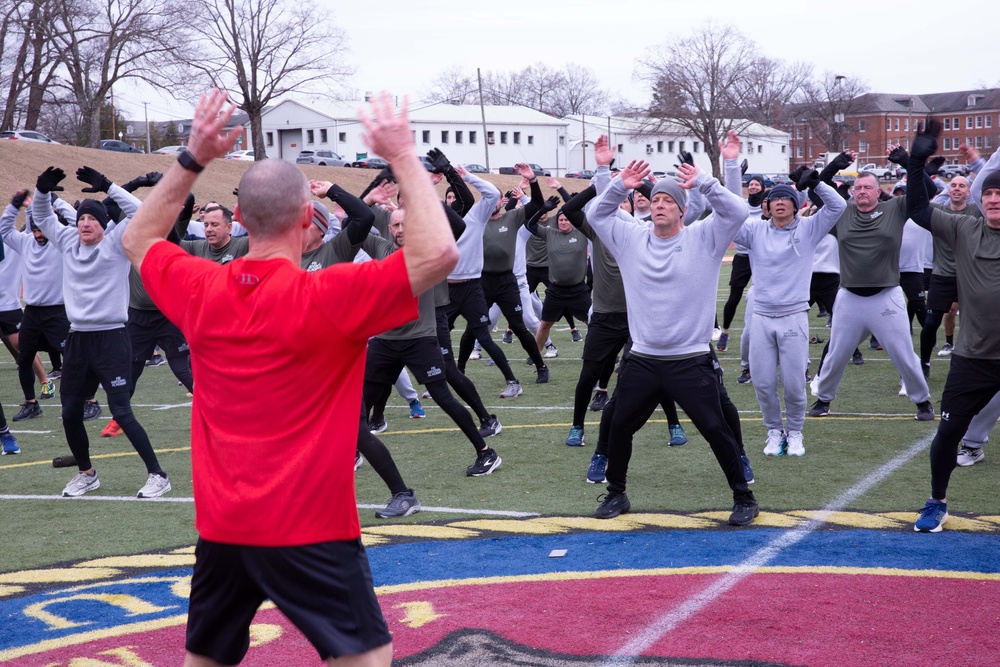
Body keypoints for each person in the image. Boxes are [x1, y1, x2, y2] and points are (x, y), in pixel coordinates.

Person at [121, 90, 458, 665]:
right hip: (312, 528)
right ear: (308, 218)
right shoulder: (327, 296)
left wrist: (193, 156)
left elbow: (137, 239)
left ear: (242, 220)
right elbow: (438, 254)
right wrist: (403, 155)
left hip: (224, 527)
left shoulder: (202, 287)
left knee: (205, 659)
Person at [585, 132, 759, 526]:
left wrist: (704, 180)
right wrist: (616, 183)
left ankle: (743, 496)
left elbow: (736, 212)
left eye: (668, 201)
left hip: (690, 359)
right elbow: (597, 214)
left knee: (716, 429)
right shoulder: (631, 237)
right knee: (619, 427)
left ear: (683, 211)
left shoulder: (704, 237)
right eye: (656, 199)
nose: (660, 204)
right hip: (643, 358)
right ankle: (616, 493)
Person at [31, 165, 170, 499]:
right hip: (78, 339)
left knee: (121, 410)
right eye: (80, 219)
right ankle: (86, 474)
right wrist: (40, 191)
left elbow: (141, 211)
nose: (85, 223)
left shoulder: (117, 243)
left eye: (92, 218)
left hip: (112, 338)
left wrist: (108, 185)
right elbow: (42, 216)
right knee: (69, 413)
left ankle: (158, 475)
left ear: (104, 224)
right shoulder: (67, 242)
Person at [905, 120, 1000, 532]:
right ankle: (936, 501)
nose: (995, 200)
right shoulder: (965, 227)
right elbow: (918, 210)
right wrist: (914, 164)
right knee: (948, 434)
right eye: (990, 194)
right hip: (974, 356)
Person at [807, 167, 934, 421]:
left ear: (879, 191)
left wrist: (907, 162)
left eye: (867, 187)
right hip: (849, 297)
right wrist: (833, 167)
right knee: (837, 354)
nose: (862, 192)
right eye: (858, 188)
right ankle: (823, 399)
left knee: (903, 353)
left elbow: (928, 191)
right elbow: (816, 191)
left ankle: (922, 402)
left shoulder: (894, 208)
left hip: (886, 295)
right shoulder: (842, 212)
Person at [735, 173, 846, 457]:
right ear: (767, 206)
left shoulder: (809, 228)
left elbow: (838, 206)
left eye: (786, 198)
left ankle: (795, 432)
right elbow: (728, 214)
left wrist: (816, 183)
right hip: (761, 316)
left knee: (795, 384)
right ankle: (774, 431)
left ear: (796, 205)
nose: (780, 203)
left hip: (794, 316)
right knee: (763, 382)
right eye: (775, 199)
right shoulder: (754, 230)